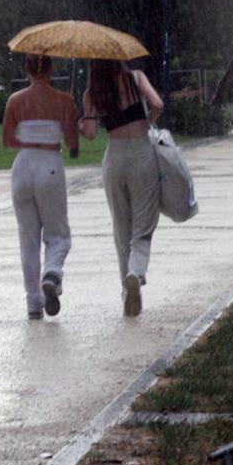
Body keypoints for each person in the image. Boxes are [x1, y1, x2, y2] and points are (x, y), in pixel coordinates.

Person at [79, 59, 164, 317]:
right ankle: (136, 273)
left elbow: (92, 133)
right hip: (141, 154)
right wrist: (146, 122)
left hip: (114, 159)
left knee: (121, 228)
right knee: (144, 224)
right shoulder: (135, 78)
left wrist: (82, 127)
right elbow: (158, 104)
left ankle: (127, 293)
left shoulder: (92, 92)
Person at [2, 54, 80, 320]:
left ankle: (33, 302)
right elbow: (72, 143)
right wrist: (70, 117)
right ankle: (53, 272)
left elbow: (7, 140)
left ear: (27, 69)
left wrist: (30, 138)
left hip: (22, 167)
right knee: (58, 234)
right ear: (51, 69)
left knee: (28, 239)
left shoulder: (15, 100)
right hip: (50, 165)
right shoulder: (63, 100)